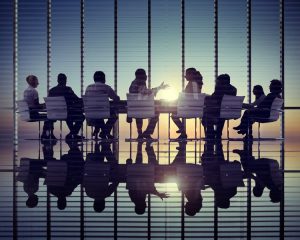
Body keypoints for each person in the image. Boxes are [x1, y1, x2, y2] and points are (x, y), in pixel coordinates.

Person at [128, 68, 168, 139]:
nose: (146, 76)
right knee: (156, 113)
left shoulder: (132, 83)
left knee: (139, 115)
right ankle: (147, 132)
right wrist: (159, 88)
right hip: (142, 108)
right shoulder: (141, 82)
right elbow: (145, 92)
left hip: (136, 109)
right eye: (145, 75)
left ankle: (140, 134)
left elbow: (140, 95)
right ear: (143, 75)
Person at [48, 73, 85, 140]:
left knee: (69, 115)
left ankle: (73, 134)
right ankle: (73, 133)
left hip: (54, 115)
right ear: (65, 81)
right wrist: (84, 100)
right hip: (67, 114)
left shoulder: (51, 91)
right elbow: (76, 100)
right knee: (81, 116)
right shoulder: (67, 89)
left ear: (57, 80)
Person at [85, 71, 120, 139]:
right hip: (102, 112)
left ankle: (102, 131)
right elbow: (116, 98)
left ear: (94, 79)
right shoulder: (106, 87)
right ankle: (105, 132)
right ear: (104, 79)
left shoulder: (88, 88)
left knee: (99, 115)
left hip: (90, 114)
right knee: (114, 116)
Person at [202, 74, 237, 139]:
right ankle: (218, 133)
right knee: (221, 112)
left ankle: (210, 134)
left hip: (218, 111)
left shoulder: (220, 88)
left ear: (222, 81)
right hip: (228, 112)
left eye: (218, 81)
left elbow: (214, 98)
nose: (217, 82)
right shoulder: (234, 89)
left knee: (206, 113)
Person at [171, 68, 204, 139]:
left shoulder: (192, 84)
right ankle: (182, 131)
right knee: (175, 111)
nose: (185, 76)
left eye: (186, 74)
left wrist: (174, 101)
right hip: (197, 109)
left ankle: (183, 131)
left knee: (173, 114)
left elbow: (189, 97)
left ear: (191, 75)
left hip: (189, 109)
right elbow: (195, 97)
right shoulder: (197, 84)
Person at [23, 75, 56, 139]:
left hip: (27, 113)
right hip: (33, 114)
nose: (38, 83)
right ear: (33, 81)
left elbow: (32, 104)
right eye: (37, 81)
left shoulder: (26, 91)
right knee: (50, 117)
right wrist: (44, 105)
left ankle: (46, 134)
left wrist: (42, 105)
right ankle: (47, 135)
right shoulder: (34, 91)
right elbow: (36, 106)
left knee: (48, 116)